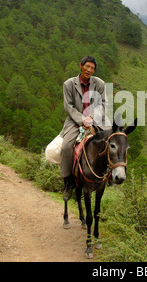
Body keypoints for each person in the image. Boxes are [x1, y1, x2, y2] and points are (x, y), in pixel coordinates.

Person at [60, 55, 108, 201]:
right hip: (76, 121)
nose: (89, 70)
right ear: (80, 66)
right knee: (66, 147)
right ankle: (68, 183)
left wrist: (92, 118)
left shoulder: (99, 84)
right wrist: (82, 119)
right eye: (87, 66)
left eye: (92, 68)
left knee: (114, 139)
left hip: (97, 119)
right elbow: (68, 106)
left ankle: (109, 175)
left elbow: (103, 104)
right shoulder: (69, 84)